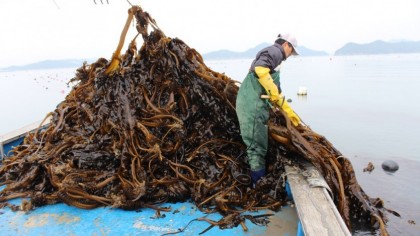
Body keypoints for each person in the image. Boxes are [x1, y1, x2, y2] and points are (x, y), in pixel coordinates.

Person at [236, 33, 301, 186]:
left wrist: (289, 113)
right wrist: (272, 92)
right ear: (287, 45)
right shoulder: (276, 51)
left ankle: (258, 181)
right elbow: (260, 69)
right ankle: (258, 186)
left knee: (260, 146)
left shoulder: (276, 61)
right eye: (292, 51)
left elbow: (277, 93)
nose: (290, 55)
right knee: (256, 147)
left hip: (256, 104)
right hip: (252, 105)